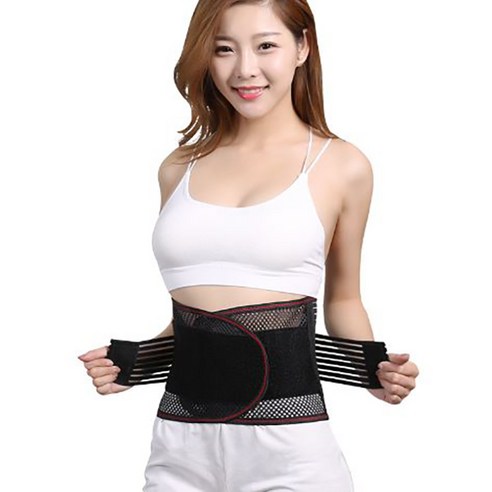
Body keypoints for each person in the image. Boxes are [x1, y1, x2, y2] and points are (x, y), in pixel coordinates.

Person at [78, 1, 420, 490]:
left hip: (290, 448)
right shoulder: (178, 167)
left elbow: (344, 299)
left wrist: (374, 368)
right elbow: (201, 312)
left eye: (265, 46)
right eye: (224, 49)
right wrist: (136, 361)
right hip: (179, 444)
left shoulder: (342, 166)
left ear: (301, 47)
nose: (245, 69)